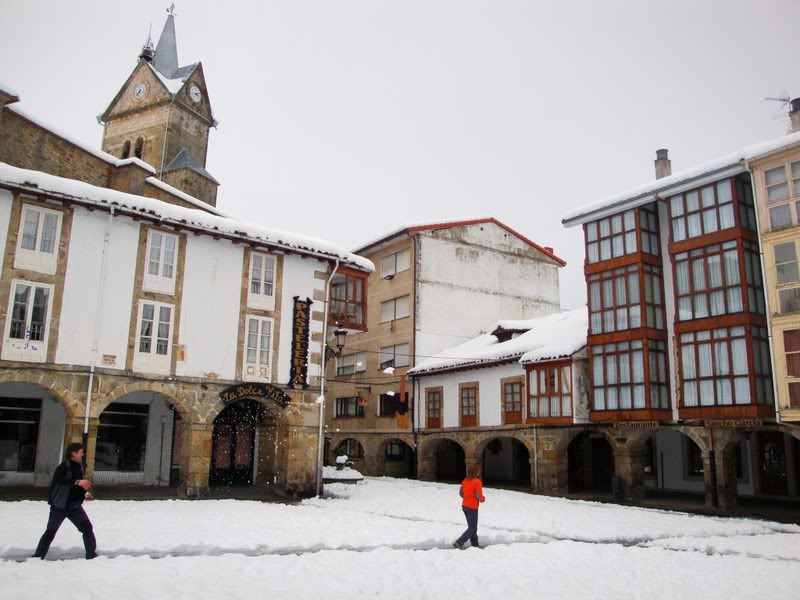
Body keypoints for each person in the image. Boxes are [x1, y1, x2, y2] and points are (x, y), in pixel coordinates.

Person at [32, 442, 97, 560]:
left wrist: (85, 494)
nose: (83, 454)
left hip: (75, 507)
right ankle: (38, 557)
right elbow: (60, 480)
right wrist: (77, 481)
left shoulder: (80, 466)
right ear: (74, 453)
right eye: (81, 452)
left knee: (87, 529)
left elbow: (77, 487)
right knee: (51, 531)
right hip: (59, 507)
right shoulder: (62, 467)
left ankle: (91, 555)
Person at [453, 463, 485, 549]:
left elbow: (461, 493)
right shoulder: (477, 482)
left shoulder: (464, 481)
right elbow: (478, 495)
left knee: (472, 526)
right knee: (472, 528)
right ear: (476, 472)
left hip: (465, 506)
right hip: (472, 508)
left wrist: (467, 497)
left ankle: (475, 545)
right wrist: (482, 499)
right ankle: (459, 542)